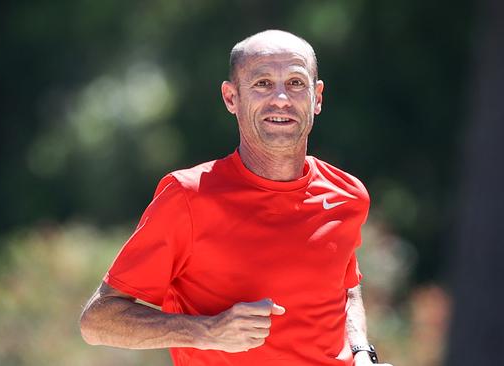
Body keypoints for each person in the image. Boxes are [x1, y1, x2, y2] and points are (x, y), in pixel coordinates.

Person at [80, 29, 391, 366]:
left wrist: (362, 352)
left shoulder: (347, 195)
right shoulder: (188, 196)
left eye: (296, 83)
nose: (282, 99)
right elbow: (97, 321)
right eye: (262, 84)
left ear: (317, 98)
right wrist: (209, 331)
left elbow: (345, 288)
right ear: (232, 98)